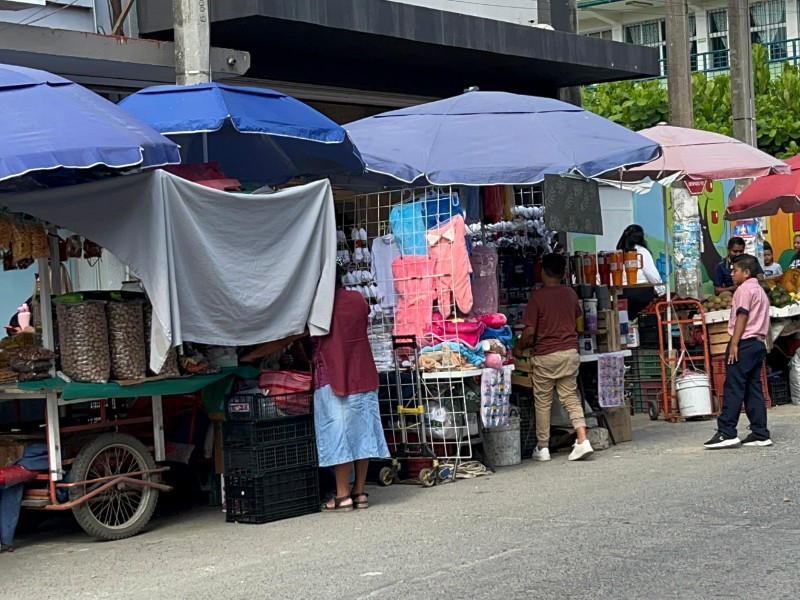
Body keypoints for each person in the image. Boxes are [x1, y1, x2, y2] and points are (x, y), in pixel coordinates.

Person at [311, 263, 390, 511]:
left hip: (334, 376)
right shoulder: (357, 299)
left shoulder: (318, 307)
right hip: (362, 373)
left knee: (339, 435)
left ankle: (342, 494)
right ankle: (360, 492)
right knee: (362, 432)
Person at [514, 253, 593, 462]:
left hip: (546, 356)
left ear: (542, 272)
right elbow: (577, 318)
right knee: (570, 397)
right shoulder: (570, 294)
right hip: (569, 353)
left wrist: (518, 348)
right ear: (564, 273)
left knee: (543, 402)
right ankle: (582, 439)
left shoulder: (537, 297)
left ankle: (543, 447)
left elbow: (530, 331)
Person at [704, 254, 773, 449]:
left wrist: (734, 343)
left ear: (746, 272)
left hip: (744, 342)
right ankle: (760, 433)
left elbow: (742, 316)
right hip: (758, 343)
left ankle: (727, 432)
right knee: (753, 388)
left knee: (734, 386)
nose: (732, 274)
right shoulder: (759, 290)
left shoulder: (744, 290)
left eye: (735, 271)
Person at [615, 224, 665, 320]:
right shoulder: (641, 251)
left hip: (622, 294)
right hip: (641, 294)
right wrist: (661, 291)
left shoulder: (619, 253)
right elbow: (651, 274)